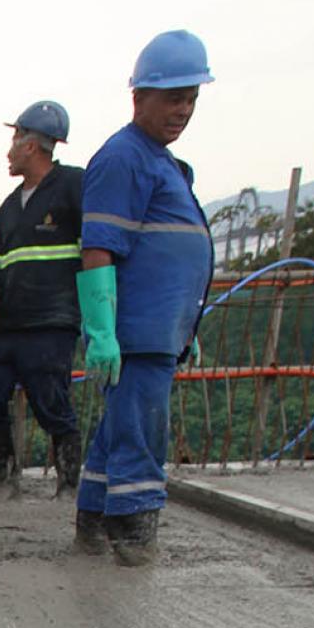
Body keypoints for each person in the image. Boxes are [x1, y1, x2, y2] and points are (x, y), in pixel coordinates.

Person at [76, 31, 216, 566]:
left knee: (119, 431)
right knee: (140, 432)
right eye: (172, 98)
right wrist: (104, 331)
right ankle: (134, 542)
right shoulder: (123, 158)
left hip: (158, 330)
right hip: (135, 332)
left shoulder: (159, 161)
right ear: (139, 98)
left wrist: (185, 325)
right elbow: (98, 249)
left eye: (191, 100)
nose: (182, 111)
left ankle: (92, 531)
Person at [0, 102, 84, 497]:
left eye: (15, 139)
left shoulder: (73, 187)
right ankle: (7, 475)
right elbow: (0, 261)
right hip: (9, 323)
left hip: (52, 321)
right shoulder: (9, 208)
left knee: (52, 402)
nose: (9, 150)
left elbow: (96, 248)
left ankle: (69, 484)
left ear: (32, 145)